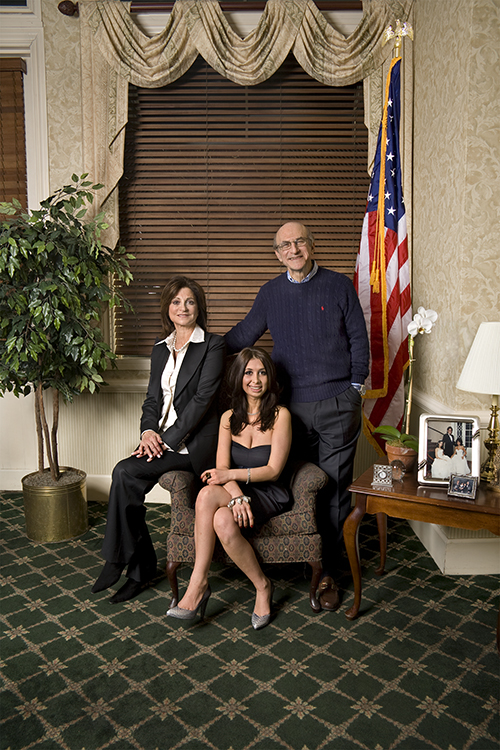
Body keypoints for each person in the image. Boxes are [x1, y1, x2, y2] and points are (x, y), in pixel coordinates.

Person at [224, 221, 369, 612]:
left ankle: (330, 572)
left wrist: (355, 390)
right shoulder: (271, 292)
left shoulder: (339, 285)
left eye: (299, 241)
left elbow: (360, 338)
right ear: (277, 254)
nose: (293, 249)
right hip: (291, 409)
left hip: (338, 403)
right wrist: (201, 343)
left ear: (312, 245)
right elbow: (244, 334)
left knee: (335, 489)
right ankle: (304, 557)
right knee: (298, 484)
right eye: (285, 245)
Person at [91, 276, 225, 603]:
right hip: (161, 439)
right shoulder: (160, 347)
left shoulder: (213, 345)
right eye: (176, 301)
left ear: (199, 308)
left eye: (190, 301)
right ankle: (138, 567)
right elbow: (152, 399)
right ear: (167, 307)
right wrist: (148, 432)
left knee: (124, 471)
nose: (183, 307)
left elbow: (201, 403)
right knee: (127, 480)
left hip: (192, 446)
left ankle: (122, 560)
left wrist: (164, 441)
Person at [167, 347, 292, 629]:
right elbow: (221, 468)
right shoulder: (228, 418)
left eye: (262, 372)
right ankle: (262, 585)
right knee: (222, 519)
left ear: (270, 378)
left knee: (207, 494)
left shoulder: (281, 415)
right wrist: (236, 495)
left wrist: (230, 477)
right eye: (249, 372)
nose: (255, 380)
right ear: (239, 377)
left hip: (269, 491)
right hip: (237, 490)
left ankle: (198, 584)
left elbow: (273, 470)